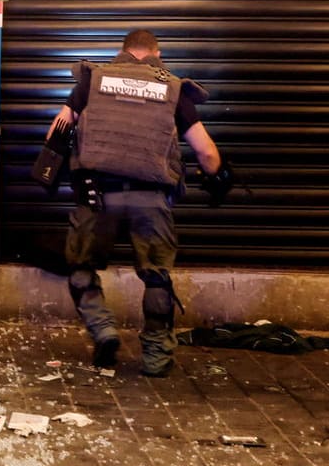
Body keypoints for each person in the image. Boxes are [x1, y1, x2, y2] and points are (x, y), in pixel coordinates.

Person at [47, 29, 228, 377]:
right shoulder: (173, 88)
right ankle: (156, 358)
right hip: (151, 199)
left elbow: (57, 130)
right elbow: (206, 152)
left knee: (82, 267)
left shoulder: (92, 81)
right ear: (156, 53)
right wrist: (216, 178)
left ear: (124, 51)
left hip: (96, 195)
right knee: (157, 278)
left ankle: (103, 331)